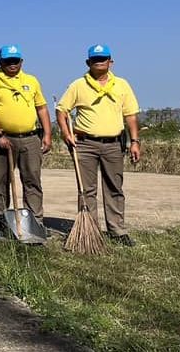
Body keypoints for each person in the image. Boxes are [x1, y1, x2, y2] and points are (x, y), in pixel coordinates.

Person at [56, 44, 141, 246]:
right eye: (95, 59)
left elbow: (130, 115)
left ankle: (117, 230)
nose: (99, 62)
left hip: (113, 143)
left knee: (114, 187)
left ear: (111, 62)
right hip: (85, 144)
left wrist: (135, 141)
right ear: (88, 63)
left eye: (103, 59)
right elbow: (61, 110)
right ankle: (90, 231)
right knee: (86, 189)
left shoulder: (122, 85)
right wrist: (66, 133)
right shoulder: (78, 85)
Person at [0, 45, 52, 228]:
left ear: (21, 61)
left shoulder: (31, 80)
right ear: (0, 62)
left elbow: (41, 108)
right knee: (1, 180)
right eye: (8, 61)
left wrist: (47, 134)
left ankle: (35, 222)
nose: (12, 64)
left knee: (32, 180)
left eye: (15, 60)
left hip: (30, 138)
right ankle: (1, 220)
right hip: (3, 139)